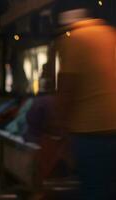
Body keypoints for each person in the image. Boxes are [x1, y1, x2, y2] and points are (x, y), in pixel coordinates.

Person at [55, 1, 116, 199]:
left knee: (94, 189)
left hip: (89, 131)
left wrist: (59, 131)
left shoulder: (72, 38)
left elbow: (66, 90)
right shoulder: (110, 34)